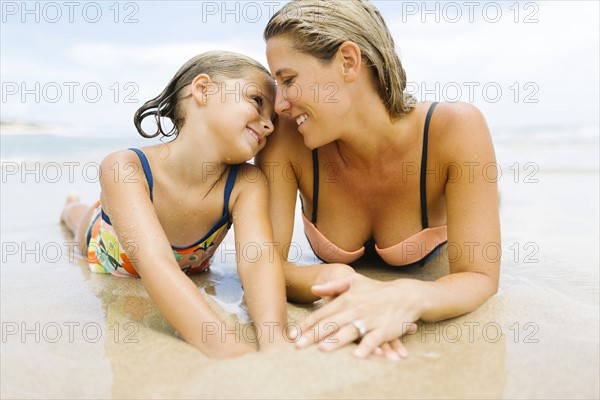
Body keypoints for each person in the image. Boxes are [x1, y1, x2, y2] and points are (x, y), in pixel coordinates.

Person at [257, 0, 501, 361]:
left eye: (288, 80)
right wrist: (341, 278)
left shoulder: (454, 129)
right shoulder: (287, 139)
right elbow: (264, 263)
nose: (278, 105)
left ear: (348, 62)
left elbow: (479, 275)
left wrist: (406, 296)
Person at [61, 51, 289, 359]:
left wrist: (275, 339)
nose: (269, 126)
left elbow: (258, 260)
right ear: (203, 89)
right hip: (106, 244)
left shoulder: (246, 183)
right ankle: (70, 205)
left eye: (273, 120)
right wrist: (226, 348)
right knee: (78, 219)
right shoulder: (125, 167)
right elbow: (155, 262)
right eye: (257, 102)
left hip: (186, 265)